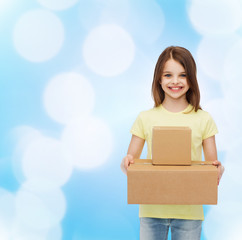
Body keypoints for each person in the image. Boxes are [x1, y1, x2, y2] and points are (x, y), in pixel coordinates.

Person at [120, 46, 224, 240]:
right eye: (168, 75)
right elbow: (131, 163)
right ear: (159, 79)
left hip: (189, 212)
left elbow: (210, 167)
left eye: (182, 75)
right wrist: (126, 163)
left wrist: (217, 171)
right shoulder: (145, 118)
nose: (175, 81)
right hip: (152, 210)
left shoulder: (204, 119)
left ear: (191, 80)